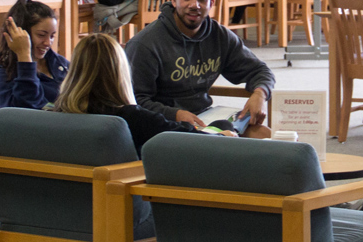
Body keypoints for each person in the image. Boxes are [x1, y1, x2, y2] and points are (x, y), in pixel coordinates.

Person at [125, 0, 275, 138]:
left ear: (211, 2)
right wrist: (174, 114)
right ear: (174, 0)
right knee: (228, 147)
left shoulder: (219, 35)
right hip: (163, 127)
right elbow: (133, 102)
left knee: (266, 137)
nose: (194, 5)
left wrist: (260, 94)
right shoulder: (145, 44)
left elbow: (260, 70)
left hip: (204, 120)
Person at [51, 33, 236, 154]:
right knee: (225, 126)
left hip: (74, 201)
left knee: (220, 125)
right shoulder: (131, 118)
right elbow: (185, 139)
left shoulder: (59, 111)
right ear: (120, 73)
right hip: (132, 200)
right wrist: (224, 137)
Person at [0, 0, 69, 109]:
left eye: (52, 36)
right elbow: (27, 109)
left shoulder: (60, 64)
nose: (48, 43)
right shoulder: (4, 73)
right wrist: (24, 57)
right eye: (41, 35)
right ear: (20, 34)